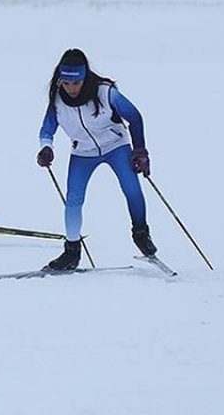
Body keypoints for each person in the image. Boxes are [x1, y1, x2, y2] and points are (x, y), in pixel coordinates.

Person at [36, 48, 155, 271]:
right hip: (83, 153)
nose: (71, 88)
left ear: (85, 77)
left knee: (132, 189)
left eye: (76, 83)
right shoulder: (57, 99)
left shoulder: (105, 93)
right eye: (66, 83)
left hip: (116, 146)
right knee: (73, 199)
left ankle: (141, 234)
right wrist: (46, 148)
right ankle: (71, 251)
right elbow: (47, 129)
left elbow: (135, 117)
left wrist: (140, 151)